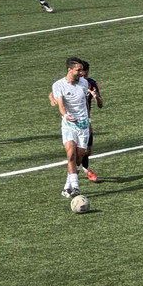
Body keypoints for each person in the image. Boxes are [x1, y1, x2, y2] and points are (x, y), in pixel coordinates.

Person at [51, 57, 92, 198]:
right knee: (71, 154)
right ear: (69, 70)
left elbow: (85, 103)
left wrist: (89, 121)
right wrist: (65, 115)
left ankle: (67, 186)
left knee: (79, 156)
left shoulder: (84, 83)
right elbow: (61, 106)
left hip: (83, 125)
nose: (81, 73)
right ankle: (75, 187)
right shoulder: (59, 85)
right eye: (78, 70)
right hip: (69, 125)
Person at [78, 60, 103, 182]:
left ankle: (82, 167)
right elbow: (53, 92)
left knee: (87, 150)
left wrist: (96, 97)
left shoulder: (92, 84)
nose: (84, 78)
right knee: (75, 149)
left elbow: (100, 105)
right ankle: (82, 170)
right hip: (71, 119)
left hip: (86, 119)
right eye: (82, 75)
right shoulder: (70, 83)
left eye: (86, 75)